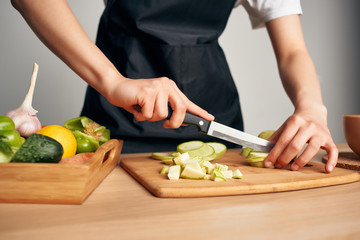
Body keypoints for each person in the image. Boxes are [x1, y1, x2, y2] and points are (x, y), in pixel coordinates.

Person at [11, 0, 338, 172]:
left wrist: (312, 107)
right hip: (116, 121)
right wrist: (112, 82)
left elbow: (293, 51)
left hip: (215, 120)